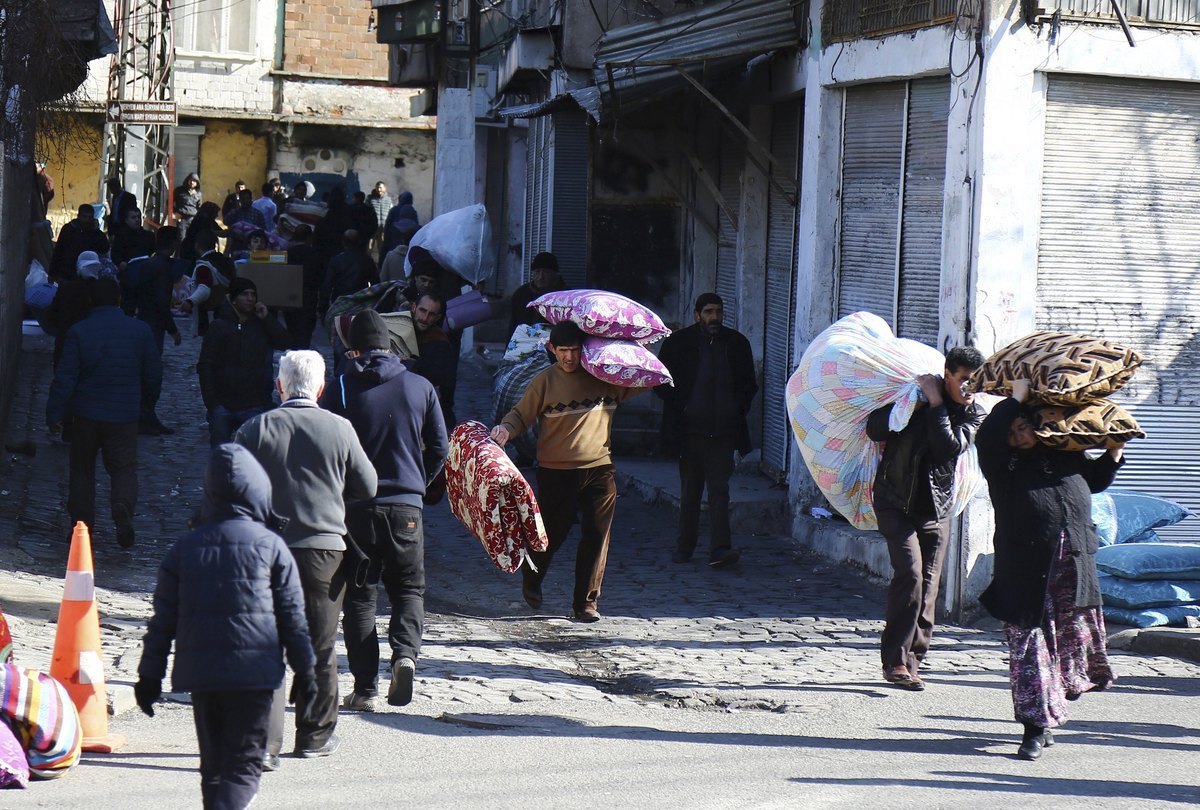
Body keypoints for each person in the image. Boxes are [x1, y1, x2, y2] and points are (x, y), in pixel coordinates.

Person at [135, 443, 317, 804]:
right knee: (243, 767)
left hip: (202, 676)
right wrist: (307, 672)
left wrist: (149, 676)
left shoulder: (185, 548)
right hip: (254, 674)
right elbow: (293, 618)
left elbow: (162, 622)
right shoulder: (272, 546)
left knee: (214, 768)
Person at [235, 350, 377, 761]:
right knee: (319, 644)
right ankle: (314, 736)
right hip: (323, 552)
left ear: (280, 385)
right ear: (321, 387)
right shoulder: (339, 428)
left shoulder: (254, 429)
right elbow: (367, 486)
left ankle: (263, 744)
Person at [976, 378, 1123, 761]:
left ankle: (1050, 709)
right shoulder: (1002, 465)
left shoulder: (1064, 455)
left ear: (1039, 427)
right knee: (1029, 646)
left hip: (1073, 566)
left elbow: (1095, 482)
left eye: (1024, 427)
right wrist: (1015, 400)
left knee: (1068, 645)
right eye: (1012, 431)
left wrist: (1113, 451)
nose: (1018, 435)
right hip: (1024, 572)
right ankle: (1034, 728)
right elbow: (987, 436)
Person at [320, 310, 448, 711]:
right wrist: (418, 483)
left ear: (352, 348)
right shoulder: (420, 386)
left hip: (356, 509)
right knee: (408, 588)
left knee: (359, 598)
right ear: (390, 344)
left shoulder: (341, 387)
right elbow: (441, 447)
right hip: (406, 506)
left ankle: (365, 689)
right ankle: (405, 655)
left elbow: (326, 447)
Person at [490, 320, 651, 622]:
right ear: (552, 349)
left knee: (597, 536)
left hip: (599, 469)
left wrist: (639, 352)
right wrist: (505, 430)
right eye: (563, 350)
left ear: (584, 350)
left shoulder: (604, 379)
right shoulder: (545, 381)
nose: (569, 357)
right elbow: (520, 414)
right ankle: (532, 576)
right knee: (552, 532)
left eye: (575, 350)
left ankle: (586, 603)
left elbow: (642, 378)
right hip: (556, 472)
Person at [865, 346, 986, 690]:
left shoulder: (974, 414)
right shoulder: (912, 399)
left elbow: (948, 447)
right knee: (911, 573)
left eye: (976, 382)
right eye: (964, 380)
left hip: (936, 509)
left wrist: (936, 405)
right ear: (947, 375)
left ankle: (912, 663)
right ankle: (895, 661)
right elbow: (875, 429)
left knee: (929, 586)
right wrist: (909, 407)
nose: (970, 388)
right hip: (894, 501)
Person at [46, 278, 160, 548]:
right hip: (124, 414)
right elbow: (153, 374)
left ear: (91, 301)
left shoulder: (79, 332)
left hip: (86, 414)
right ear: (119, 299)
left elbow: (65, 378)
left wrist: (54, 413)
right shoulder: (140, 331)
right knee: (124, 467)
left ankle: (81, 524)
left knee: (82, 469)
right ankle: (122, 504)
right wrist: (146, 404)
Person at [655, 292, 758, 569]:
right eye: (709, 312)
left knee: (719, 491)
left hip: (723, 432)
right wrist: (684, 407)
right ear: (697, 315)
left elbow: (749, 384)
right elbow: (661, 382)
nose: (715, 318)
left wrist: (736, 410)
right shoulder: (678, 343)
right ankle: (684, 546)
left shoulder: (736, 344)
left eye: (718, 312)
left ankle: (720, 548)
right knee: (690, 491)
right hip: (690, 431)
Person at [197, 277, 293, 446]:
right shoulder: (219, 326)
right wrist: (212, 403)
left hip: (253, 404)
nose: (250, 299)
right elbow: (205, 364)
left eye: (253, 295)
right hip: (222, 404)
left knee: (252, 454)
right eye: (244, 294)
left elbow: (284, 342)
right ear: (233, 298)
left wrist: (267, 319)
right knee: (220, 453)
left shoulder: (260, 325)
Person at [121, 225, 184, 435]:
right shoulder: (162, 267)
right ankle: (146, 417)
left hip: (143, 321)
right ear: (174, 244)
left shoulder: (147, 264)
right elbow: (161, 302)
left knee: (146, 373)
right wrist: (172, 329)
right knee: (152, 375)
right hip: (153, 325)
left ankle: (143, 415)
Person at [407, 291, 456, 431]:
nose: (425, 318)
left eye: (431, 314)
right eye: (422, 311)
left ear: (438, 317)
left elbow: (442, 385)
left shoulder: (439, 343)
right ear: (414, 308)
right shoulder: (399, 329)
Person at [318, 229, 376, 319]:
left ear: (343, 242)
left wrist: (322, 309)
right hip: (361, 303)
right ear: (359, 242)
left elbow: (327, 286)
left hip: (340, 303)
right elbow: (375, 284)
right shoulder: (367, 261)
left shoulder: (336, 261)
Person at [507, 251, 564, 337]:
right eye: (537, 272)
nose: (541, 277)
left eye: (546, 272)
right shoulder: (521, 294)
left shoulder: (564, 296)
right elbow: (513, 325)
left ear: (554, 273)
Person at [284, 224, 322, 349]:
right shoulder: (316, 254)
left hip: (290, 298)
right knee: (305, 335)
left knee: (292, 332)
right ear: (309, 237)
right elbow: (320, 278)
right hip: (309, 298)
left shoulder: (287, 254)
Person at [49, 204, 108, 281]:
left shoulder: (94, 233)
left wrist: (97, 231)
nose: (87, 220)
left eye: (89, 217)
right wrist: (52, 273)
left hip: (86, 275)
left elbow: (104, 249)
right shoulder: (68, 229)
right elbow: (58, 250)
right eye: (84, 217)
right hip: (67, 272)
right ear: (79, 216)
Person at [367, 181, 393, 260]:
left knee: (381, 249)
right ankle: (367, 263)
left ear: (385, 188)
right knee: (369, 247)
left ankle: (381, 264)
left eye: (380, 188)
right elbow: (365, 212)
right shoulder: (370, 199)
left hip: (383, 229)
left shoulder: (389, 200)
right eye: (377, 188)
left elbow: (391, 213)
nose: (379, 189)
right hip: (372, 228)